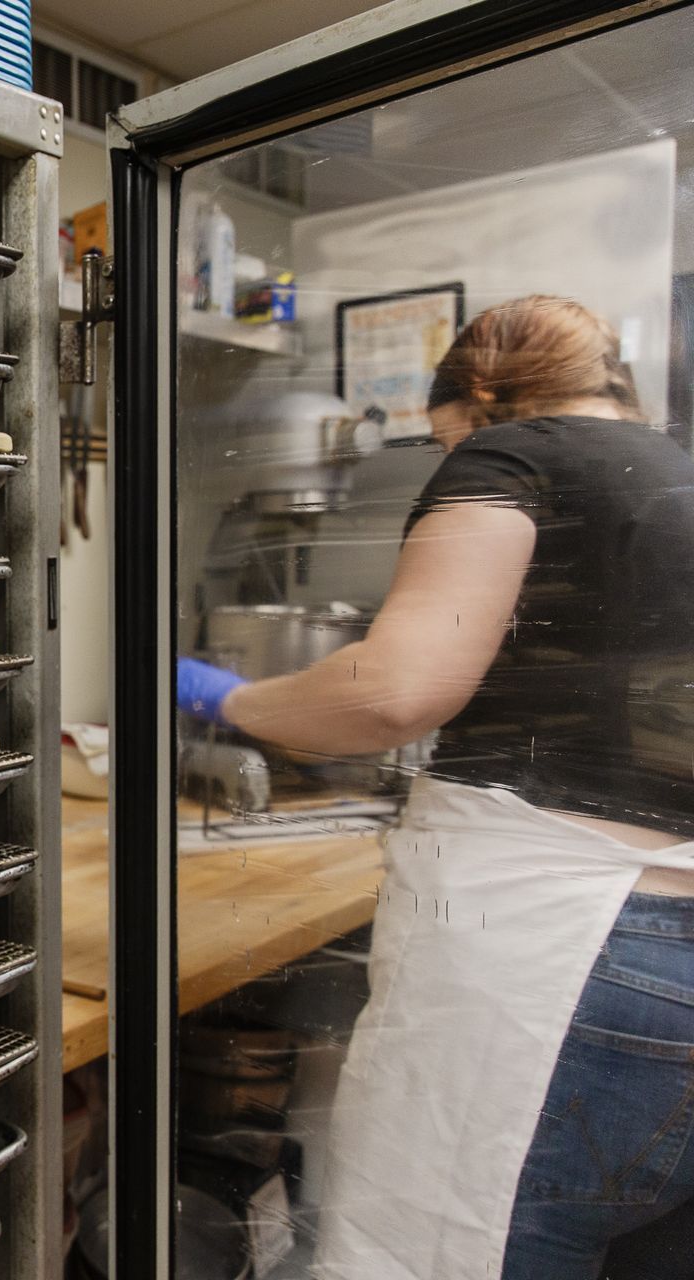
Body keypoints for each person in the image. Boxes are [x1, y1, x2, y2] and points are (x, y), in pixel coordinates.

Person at [177, 295, 694, 1279]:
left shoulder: (516, 452)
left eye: (441, 437)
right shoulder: (674, 474)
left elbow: (394, 689)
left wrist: (233, 700)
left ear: (483, 400)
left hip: (558, 952)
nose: (440, 453)